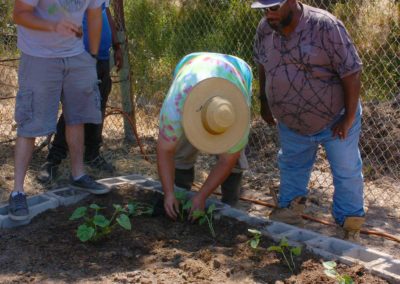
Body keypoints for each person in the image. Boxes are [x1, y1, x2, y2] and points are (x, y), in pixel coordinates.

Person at [252, 0, 365, 241]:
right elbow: (262, 64)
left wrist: (348, 118)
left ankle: (350, 226)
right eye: (264, 9)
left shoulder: (325, 26)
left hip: (334, 118)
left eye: (273, 8)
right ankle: (289, 217)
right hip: (291, 123)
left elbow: (352, 72)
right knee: (292, 166)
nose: (268, 15)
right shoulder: (265, 29)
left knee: (346, 171)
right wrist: (264, 101)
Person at [9, 0, 110, 221]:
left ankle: (78, 174)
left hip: (76, 54)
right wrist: (53, 26)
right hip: (38, 56)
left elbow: (94, 14)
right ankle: (17, 191)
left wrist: (91, 56)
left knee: (77, 117)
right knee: (30, 124)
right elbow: (19, 14)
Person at [157, 52, 253, 220]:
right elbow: (165, 151)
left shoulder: (238, 113)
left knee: (234, 157)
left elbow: (227, 161)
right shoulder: (176, 105)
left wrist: (202, 196)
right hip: (192, 66)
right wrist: (169, 193)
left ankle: (230, 203)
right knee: (182, 149)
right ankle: (180, 192)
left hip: (237, 71)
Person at [37, 0, 123, 183]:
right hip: (79, 55)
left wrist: (116, 46)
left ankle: (92, 154)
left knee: (96, 107)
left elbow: (105, 12)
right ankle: (53, 160)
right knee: (74, 110)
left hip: (101, 57)